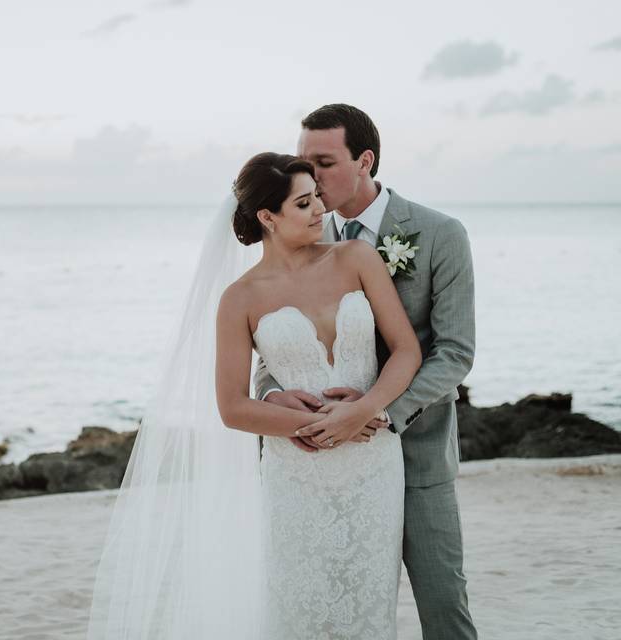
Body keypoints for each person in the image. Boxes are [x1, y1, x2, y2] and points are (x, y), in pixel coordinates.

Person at [255, 103, 479, 639]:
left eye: (324, 162)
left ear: (365, 160)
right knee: (333, 608)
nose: (309, 176)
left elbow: (455, 351)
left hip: (417, 448)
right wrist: (270, 395)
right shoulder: (304, 236)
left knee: (443, 603)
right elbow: (270, 340)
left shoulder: (439, 233)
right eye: (303, 162)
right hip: (326, 467)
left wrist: (376, 411)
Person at [216, 152, 420, 637]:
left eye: (317, 199)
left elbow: (406, 351)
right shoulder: (240, 298)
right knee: (301, 610)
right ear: (267, 217)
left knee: (369, 608)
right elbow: (232, 407)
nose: (320, 212)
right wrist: (318, 425)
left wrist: (364, 410)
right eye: (303, 204)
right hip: (297, 476)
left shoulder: (355, 259)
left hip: (374, 463)